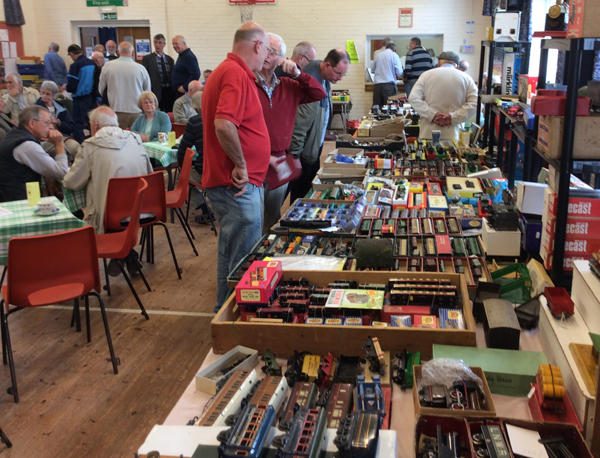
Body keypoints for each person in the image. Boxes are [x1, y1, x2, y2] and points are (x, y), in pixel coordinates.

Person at [202, 21, 271, 312]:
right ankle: (236, 320)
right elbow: (223, 123)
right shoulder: (235, 73)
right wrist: (242, 164)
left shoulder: (228, 70)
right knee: (244, 260)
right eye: (267, 50)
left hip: (232, 184)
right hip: (237, 186)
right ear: (257, 45)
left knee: (232, 254)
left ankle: (225, 313)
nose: (267, 56)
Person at [256, 33, 326, 233]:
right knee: (252, 220)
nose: (267, 55)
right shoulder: (248, 83)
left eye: (273, 52)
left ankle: (266, 251)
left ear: (282, 59)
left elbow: (318, 93)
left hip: (278, 160)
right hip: (254, 161)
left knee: (272, 216)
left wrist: (298, 73)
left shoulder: (287, 85)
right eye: (264, 49)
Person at [63, 106, 152, 234]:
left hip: (110, 215)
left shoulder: (90, 146)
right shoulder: (136, 140)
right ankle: (126, 245)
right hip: (144, 210)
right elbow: (149, 174)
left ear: (95, 124)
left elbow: (71, 182)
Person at [288, 49, 350, 203]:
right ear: (327, 65)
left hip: (314, 145)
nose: (340, 78)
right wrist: (295, 156)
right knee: (301, 195)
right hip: (304, 152)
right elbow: (299, 127)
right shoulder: (311, 82)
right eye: (338, 73)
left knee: (310, 189)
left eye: (344, 74)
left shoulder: (324, 76)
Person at [0, 105, 68, 202]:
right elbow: (61, 172)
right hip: (16, 202)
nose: (51, 127)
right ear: (32, 123)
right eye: (47, 123)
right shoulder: (27, 145)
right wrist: (59, 144)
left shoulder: (15, 134)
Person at [409, 51, 478, 141]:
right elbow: (475, 104)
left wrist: (433, 115)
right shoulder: (467, 78)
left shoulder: (425, 75)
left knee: (428, 150)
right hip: (454, 134)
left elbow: (413, 98)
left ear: (439, 63)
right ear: (457, 65)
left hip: (428, 133)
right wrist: (452, 117)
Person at [99, 41, 151, 129]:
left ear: (118, 52)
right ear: (133, 53)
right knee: (136, 136)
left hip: (115, 110)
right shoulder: (141, 68)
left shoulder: (107, 66)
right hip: (136, 111)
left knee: (118, 136)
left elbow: (101, 90)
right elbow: (148, 92)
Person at [177, 91, 211, 223]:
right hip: (226, 171)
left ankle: (205, 211)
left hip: (205, 171)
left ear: (195, 109)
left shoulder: (194, 121)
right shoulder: (220, 117)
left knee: (183, 176)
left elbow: (183, 150)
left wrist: (183, 167)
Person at [35, 80, 80, 155]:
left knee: (76, 147)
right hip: (44, 138)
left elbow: (71, 126)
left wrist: (59, 123)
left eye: (48, 94)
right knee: (61, 151)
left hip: (61, 135)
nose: (44, 96)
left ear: (54, 95)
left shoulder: (60, 107)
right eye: (42, 93)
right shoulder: (35, 107)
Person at [67, 44, 96, 142]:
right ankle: (94, 141)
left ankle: (80, 145)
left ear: (71, 54)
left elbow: (72, 86)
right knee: (93, 122)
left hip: (80, 99)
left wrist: (66, 87)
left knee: (78, 124)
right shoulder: (92, 62)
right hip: (92, 98)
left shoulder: (75, 65)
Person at [142, 33, 176, 112]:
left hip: (169, 90)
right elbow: (144, 75)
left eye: (160, 42)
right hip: (155, 90)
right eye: (155, 42)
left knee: (169, 111)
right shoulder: (148, 59)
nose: (157, 45)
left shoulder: (170, 60)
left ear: (164, 44)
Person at [371, 42, 402, 107]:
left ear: (386, 48)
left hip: (377, 86)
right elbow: (399, 72)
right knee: (390, 107)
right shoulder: (394, 55)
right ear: (394, 49)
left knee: (376, 108)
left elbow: (372, 70)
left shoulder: (377, 55)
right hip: (389, 86)